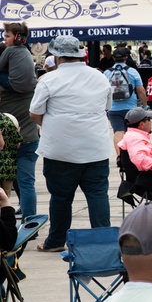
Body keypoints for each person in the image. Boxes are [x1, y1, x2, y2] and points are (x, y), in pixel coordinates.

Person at [29, 35, 112, 253]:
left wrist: (53, 125)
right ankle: (103, 242)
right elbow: (106, 106)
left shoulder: (48, 80)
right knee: (97, 195)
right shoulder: (100, 77)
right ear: (79, 53)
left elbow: (35, 113)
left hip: (60, 150)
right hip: (95, 147)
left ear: (56, 56)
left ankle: (55, 242)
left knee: (61, 197)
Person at [0, 21, 39, 219]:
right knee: (26, 181)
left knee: (5, 183)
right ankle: (31, 221)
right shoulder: (30, 82)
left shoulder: (3, 89)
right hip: (30, 137)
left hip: (6, 142)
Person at [104, 47, 147, 147]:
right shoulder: (132, 71)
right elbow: (141, 90)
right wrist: (144, 105)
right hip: (130, 108)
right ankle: (131, 157)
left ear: (114, 58)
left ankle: (120, 158)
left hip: (113, 108)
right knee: (132, 133)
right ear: (126, 57)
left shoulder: (107, 73)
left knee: (118, 132)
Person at [117, 107, 152, 190]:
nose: (151, 123)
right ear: (142, 124)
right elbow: (139, 159)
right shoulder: (135, 138)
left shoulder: (132, 135)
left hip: (147, 178)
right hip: (151, 182)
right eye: (149, 120)